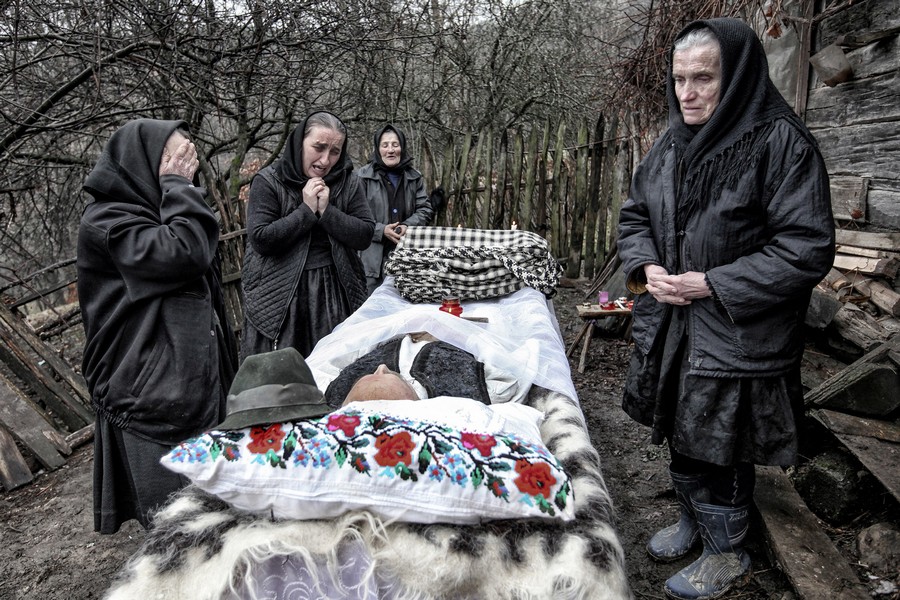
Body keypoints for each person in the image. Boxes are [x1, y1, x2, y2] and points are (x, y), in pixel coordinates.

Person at [616, 18, 835, 600]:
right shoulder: (670, 145)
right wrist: (646, 267)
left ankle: (726, 550)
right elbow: (635, 215)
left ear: (735, 76)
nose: (687, 93)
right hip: (674, 323)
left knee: (724, 440)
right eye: (679, 79)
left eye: (703, 78)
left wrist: (714, 283)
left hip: (739, 333)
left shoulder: (780, 143)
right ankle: (692, 518)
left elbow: (806, 247)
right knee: (680, 426)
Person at [77, 119, 238, 534]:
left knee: (217, 516)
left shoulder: (160, 210)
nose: (184, 167)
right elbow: (184, 254)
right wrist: (178, 186)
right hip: (148, 391)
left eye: (188, 159)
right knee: (177, 526)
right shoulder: (107, 223)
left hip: (187, 382)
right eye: (173, 158)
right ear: (141, 162)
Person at [240, 111, 374, 360]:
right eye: (318, 147)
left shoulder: (348, 182)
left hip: (335, 291)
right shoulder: (269, 181)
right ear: (300, 142)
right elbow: (261, 239)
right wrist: (306, 211)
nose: (325, 160)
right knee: (284, 372)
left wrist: (327, 211)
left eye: (334, 151)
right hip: (280, 295)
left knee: (333, 367)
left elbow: (364, 234)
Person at [356, 124, 433, 296]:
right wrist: (381, 230)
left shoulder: (414, 177)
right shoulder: (363, 177)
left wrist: (407, 226)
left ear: (402, 148)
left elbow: (424, 209)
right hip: (371, 261)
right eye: (385, 145)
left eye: (395, 145)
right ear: (378, 149)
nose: (390, 150)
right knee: (372, 307)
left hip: (406, 258)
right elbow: (354, 216)